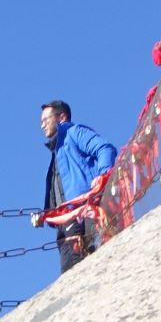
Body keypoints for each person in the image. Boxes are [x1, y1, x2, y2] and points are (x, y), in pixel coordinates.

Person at [31, 101, 116, 271]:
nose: (42, 125)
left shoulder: (74, 133)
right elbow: (61, 191)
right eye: (41, 122)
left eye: (46, 120)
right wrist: (46, 215)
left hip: (84, 213)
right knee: (69, 274)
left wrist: (103, 175)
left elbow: (105, 149)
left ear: (61, 117)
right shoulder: (57, 154)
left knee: (89, 264)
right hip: (64, 224)